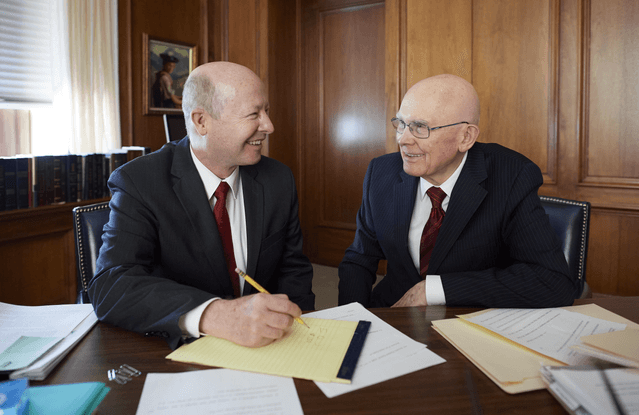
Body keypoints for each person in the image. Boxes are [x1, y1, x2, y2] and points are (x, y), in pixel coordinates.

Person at [89, 61, 315, 349]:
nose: (269, 126)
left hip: (270, 348)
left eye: (266, 111)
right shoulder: (139, 182)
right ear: (201, 121)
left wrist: (301, 334)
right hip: (176, 353)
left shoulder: (279, 179)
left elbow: (293, 269)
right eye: (253, 114)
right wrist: (215, 314)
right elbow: (111, 286)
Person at [338, 74, 576, 309]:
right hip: (394, 313)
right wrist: (350, 322)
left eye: (420, 127)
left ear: (466, 137)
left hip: (468, 320)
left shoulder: (511, 176)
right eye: (401, 124)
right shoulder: (381, 173)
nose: (403, 139)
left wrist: (435, 290)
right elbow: (359, 259)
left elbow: (552, 281)